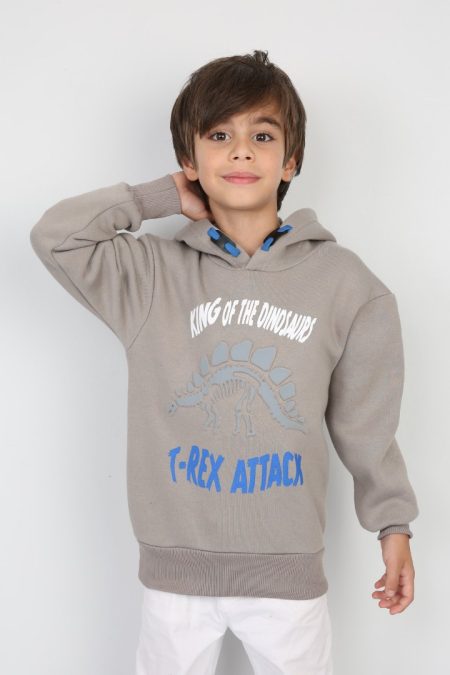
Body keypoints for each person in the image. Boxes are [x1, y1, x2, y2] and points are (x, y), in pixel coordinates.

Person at [29, 49, 419, 675]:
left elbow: (367, 427)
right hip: (175, 577)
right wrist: (161, 196)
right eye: (218, 136)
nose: (241, 152)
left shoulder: (348, 285)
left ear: (290, 160)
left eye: (262, 136)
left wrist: (393, 525)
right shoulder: (149, 275)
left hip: (288, 575)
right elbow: (55, 237)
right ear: (190, 159)